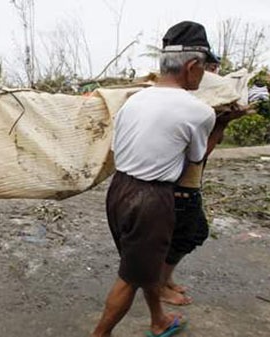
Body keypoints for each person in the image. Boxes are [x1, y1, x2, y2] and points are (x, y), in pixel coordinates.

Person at [91, 21, 217, 337]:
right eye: (204, 69)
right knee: (131, 276)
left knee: (142, 264)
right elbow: (195, 160)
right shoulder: (198, 111)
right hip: (151, 199)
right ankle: (99, 334)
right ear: (192, 66)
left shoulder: (133, 101)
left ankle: (158, 319)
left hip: (118, 191)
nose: (204, 76)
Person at [160, 57, 247, 306]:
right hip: (181, 187)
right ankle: (159, 285)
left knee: (183, 234)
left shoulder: (189, 106)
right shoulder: (191, 109)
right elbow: (198, 155)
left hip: (182, 185)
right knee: (189, 234)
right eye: (208, 68)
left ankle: (165, 280)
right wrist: (222, 124)